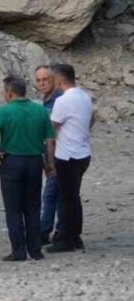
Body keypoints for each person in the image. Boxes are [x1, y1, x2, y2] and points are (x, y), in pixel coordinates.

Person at [0, 76, 56, 262]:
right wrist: (50, 164)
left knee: (13, 208)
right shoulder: (40, 111)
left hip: (12, 161)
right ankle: (35, 250)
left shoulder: (4, 111)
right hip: (34, 161)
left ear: (9, 93)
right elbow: (50, 140)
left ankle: (18, 250)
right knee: (32, 206)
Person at [48, 64, 94, 253]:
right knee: (73, 196)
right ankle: (75, 236)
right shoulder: (85, 96)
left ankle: (66, 239)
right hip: (83, 153)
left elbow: (52, 129)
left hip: (67, 155)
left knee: (66, 198)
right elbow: (92, 118)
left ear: (59, 80)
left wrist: (49, 160)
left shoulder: (62, 101)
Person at [34, 65, 65, 245]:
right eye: (38, 80)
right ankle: (60, 230)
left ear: (53, 80)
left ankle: (46, 232)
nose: (42, 83)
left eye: (45, 79)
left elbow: (51, 133)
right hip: (51, 153)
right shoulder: (46, 100)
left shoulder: (59, 100)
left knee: (52, 193)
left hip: (59, 153)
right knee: (58, 193)